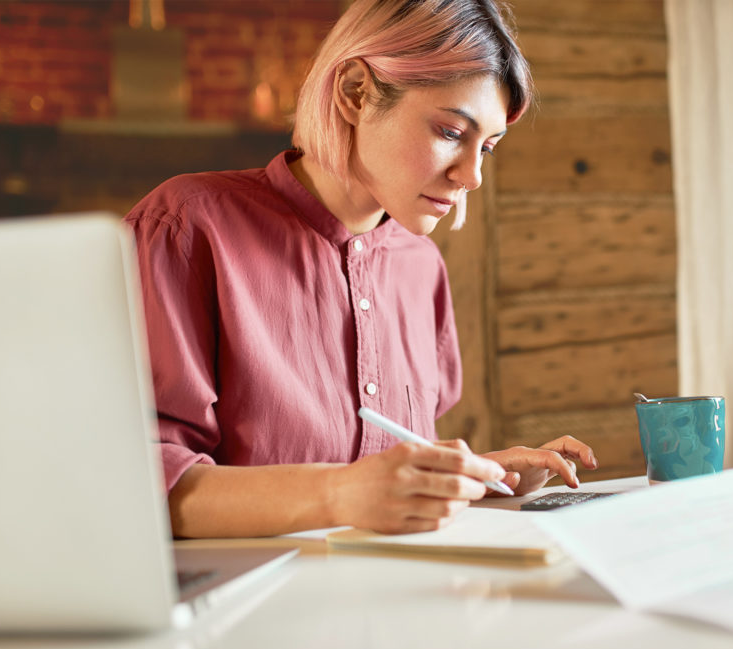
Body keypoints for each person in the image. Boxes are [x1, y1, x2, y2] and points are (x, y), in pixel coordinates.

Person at [124, 0, 598, 538]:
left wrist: (480, 475)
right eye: (449, 132)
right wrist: (340, 495)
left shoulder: (421, 267)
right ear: (355, 92)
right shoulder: (188, 226)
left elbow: (372, 480)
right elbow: (131, 481)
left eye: (486, 147)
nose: (472, 177)